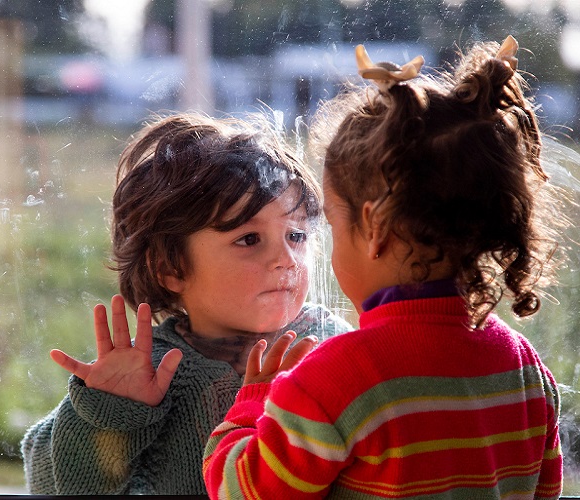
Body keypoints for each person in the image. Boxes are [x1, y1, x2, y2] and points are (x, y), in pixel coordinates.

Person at [203, 36, 563, 499]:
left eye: (330, 223)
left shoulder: (333, 380)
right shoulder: (524, 369)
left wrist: (255, 402)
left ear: (373, 227)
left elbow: (239, 491)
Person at [20, 113, 352, 495]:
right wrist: (109, 414)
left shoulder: (334, 346)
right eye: (249, 239)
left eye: (296, 235)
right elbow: (53, 483)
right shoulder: (153, 375)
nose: (286, 259)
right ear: (170, 268)